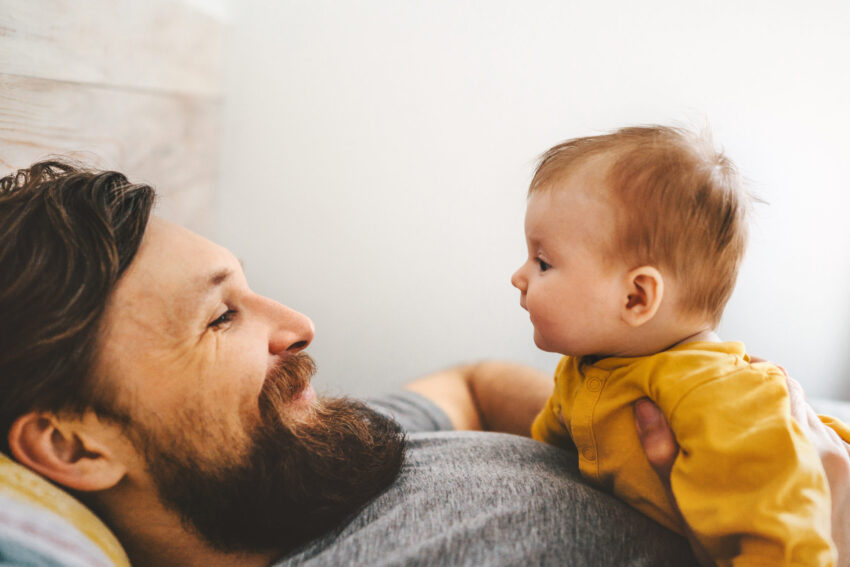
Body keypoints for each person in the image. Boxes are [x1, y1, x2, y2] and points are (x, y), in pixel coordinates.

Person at [0, 160, 846, 567]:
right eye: (222, 315)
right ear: (73, 446)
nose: (298, 326)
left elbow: (474, 382)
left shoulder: (311, 451)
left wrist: (616, 429)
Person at [510, 125, 850, 566]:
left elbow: (788, 537)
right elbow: (548, 444)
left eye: (543, 262)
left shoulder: (720, 396)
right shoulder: (585, 368)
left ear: (637, 297)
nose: (519, 276)